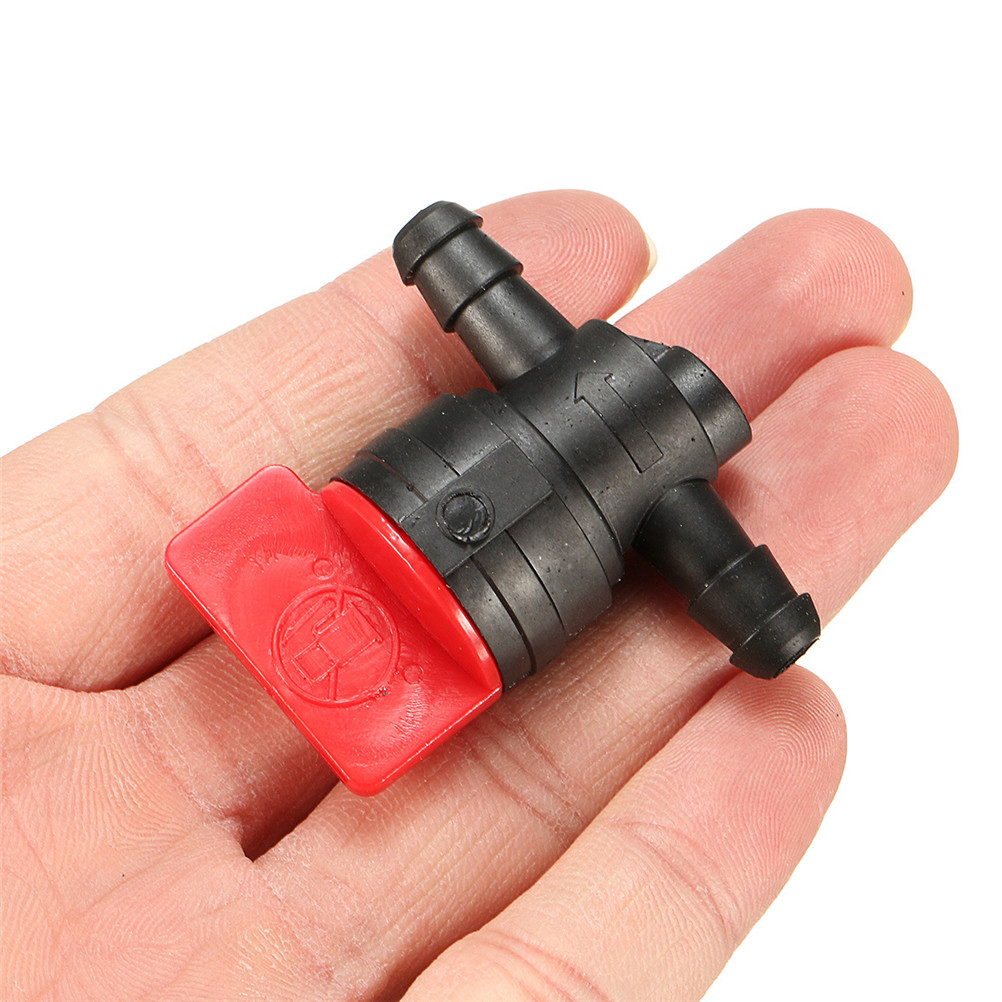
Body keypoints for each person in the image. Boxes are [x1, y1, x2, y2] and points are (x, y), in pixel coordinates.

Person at [0, 190, 957, 1001]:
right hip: (408, 578)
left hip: (431, 606)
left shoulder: (612, 451)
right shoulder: (668, 505)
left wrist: (445, 255)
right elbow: (752, 611)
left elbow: (465, 279)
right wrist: (763, 623)